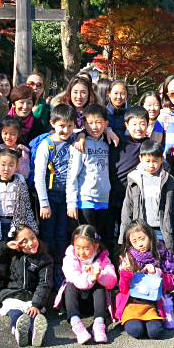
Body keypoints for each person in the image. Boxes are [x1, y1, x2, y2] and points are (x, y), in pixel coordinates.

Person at [33, 104, 77, 285]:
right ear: (52, 123)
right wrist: (43, 202)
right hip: (49, 197)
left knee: (62, 234)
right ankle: (45, 270)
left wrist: (71, 202)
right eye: (61, 125)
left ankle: (60, 270)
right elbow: (38, 176)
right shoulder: (47, 145)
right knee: (47, 234)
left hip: (66, 197)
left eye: (69, 126)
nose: (65, 130)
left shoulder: (74, 141)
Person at [119, 139, 174, 256]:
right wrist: (123, 238)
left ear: (161, 160)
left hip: (161, 231)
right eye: (147, 161)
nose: (151, 165)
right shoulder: (135, 179)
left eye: (155, 161)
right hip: (140, 231)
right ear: (140, 159)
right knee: (142, 262)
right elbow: (127, 210)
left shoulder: (168, 180)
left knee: (162, 262)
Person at [54, 224, 117, 344]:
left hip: (94, 304)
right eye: (78, 247)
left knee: (99, 286)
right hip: (75, 302)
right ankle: (76, 323)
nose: (81, 252)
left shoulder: (103, 258)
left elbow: (112, 281)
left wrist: (100, 275)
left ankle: (99, 323)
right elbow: (73, 277)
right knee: (70, 285)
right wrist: (91, 278)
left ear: (95, 245)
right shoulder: (70, 257)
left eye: (86, 248)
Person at [0, 224, 53, 347]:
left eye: (32, 238)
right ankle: (18, 332)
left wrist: (36, 304)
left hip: (32, 297)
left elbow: (44, 283)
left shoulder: (45, 259)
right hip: (12, 294)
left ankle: (35, 333)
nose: (31, 243)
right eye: (24, 241)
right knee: (16, 314)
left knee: (33, 315)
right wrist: (6, 245)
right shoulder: (12, 254)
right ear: (17, 244)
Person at [115, 221, 174, 339]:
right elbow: (123, 289)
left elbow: (170, 285)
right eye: (134, 241)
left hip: (152, 304)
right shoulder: (128, 258)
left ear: (150, 236)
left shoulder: (161, 253)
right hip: (132, 303)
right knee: (136, 330)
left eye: (142, 239)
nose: (140, 244)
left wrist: (157, 273)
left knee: (155, 332)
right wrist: (126, 273)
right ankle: (130, 320)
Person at [66, 104, 112, 249]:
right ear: (84, 124)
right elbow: (72, 176)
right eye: (90, 123)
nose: (95, 127)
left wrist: (110, 131)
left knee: (100, 241)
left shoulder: (108, 143)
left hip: (104, 200)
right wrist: (71, 202)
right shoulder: (80, 145)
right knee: (85, 241)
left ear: (106, 123)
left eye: (98, 122)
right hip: (85, 200)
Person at [0, 148, 37, 243]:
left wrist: (33, 228)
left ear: (16, 167)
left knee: (14, 252)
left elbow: (27, 207)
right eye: (3, 165)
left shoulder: (21, 183)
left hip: (16, 226)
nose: (6, 169)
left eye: (11, 165)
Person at [108, 106, 150, 240]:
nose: (138, 128)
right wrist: (108, 130)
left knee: (129, 231)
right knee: (108, 232)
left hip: (133, 197)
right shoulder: (117, 141)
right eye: (134, 124)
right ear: (126, 124)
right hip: (112, 193)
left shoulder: (148, 146)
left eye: (142, 123)